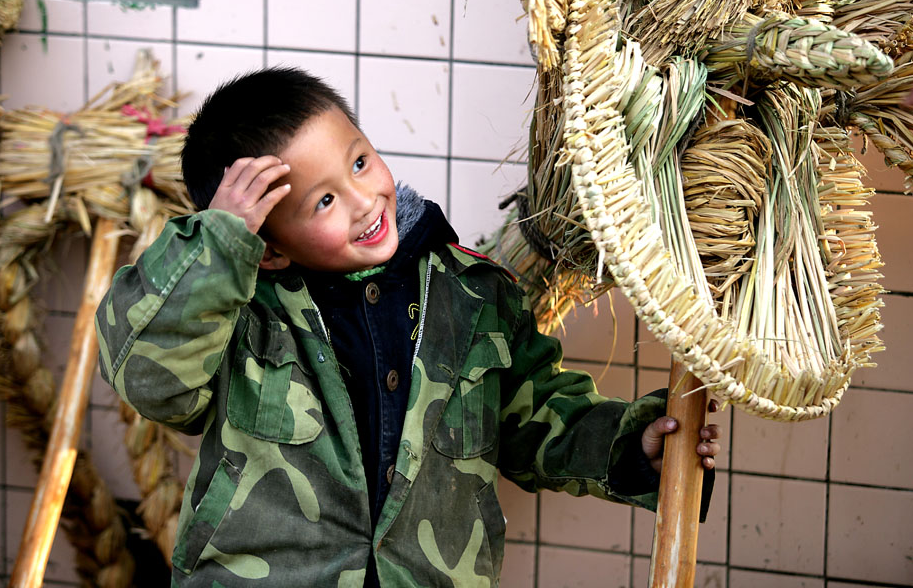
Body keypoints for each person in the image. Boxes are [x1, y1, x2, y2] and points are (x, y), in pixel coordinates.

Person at [96, 67, 720, 587]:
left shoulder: (471, 295)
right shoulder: (240, 317)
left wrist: (632, 446)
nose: (365, 200)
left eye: (361, 163)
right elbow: (151, 380)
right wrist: (217, 245)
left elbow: (534, 420)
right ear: (269, 248)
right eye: (323, 202)